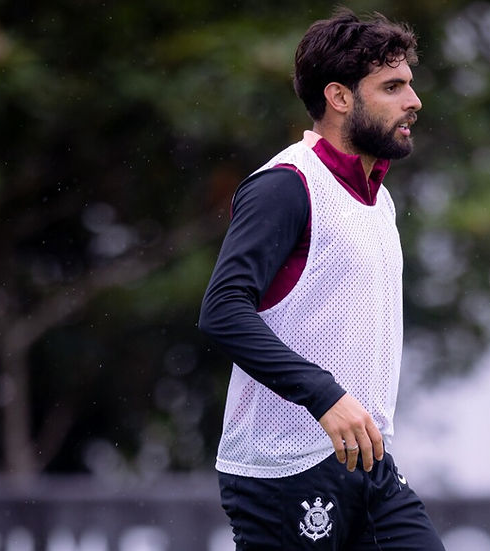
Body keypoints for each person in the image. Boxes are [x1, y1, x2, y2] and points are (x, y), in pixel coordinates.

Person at [198, 8, 445, 550]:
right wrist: (324, 396)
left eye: (410, 85)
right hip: (286, 469)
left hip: (370, 463)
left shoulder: (380, 199)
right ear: (339, 97)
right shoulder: (285, 186)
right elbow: (222, 312)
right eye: (393, 86)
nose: (414, 101)